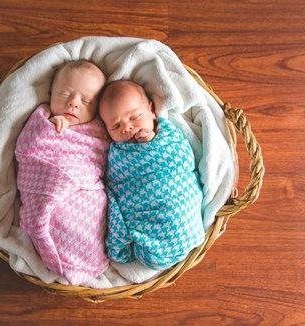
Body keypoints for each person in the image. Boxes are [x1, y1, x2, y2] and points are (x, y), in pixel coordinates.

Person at [15, 60, 110, 285]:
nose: (73, 103)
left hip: (86, 197)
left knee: (93, 222)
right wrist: (48, 126)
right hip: (46, 184)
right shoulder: (42, 120)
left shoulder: (99, 131)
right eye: (65, 93)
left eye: (86, 100)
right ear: (50, 93)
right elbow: (27, 150)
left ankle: (84, 256)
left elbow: (103, 163)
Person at [99, 80, 205, 270]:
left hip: (181, 207)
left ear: (151, 110)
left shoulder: (168, 136)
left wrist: (153, 144)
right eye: (115, 126)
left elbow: (182, 157)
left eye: (135, 116)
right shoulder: (116, 153)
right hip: (145, 216)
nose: (127, 128)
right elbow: (116, 183)